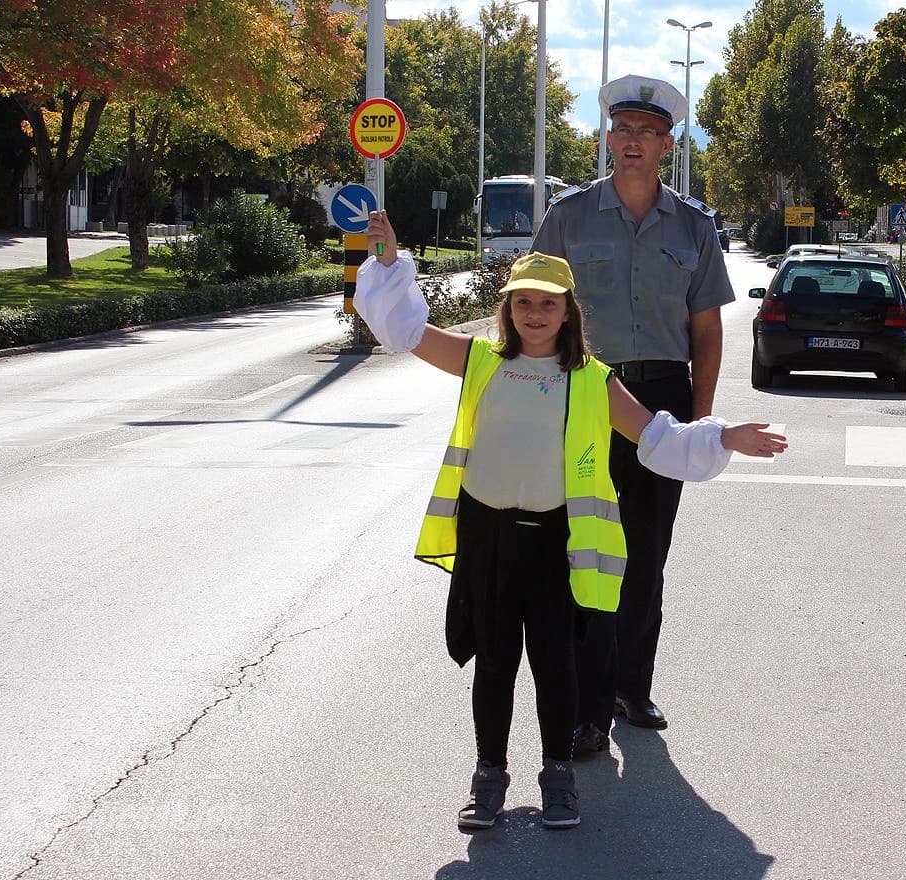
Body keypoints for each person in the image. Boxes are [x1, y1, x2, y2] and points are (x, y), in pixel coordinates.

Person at [352, 210, 787, 832]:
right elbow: (407, 330)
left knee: (556, 665)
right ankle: (488, 777)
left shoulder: (592, 380)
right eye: (523, 302)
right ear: (507, 309)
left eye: (548, 304)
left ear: (567, 313)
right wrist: (390, 261)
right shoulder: (477, 360)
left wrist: (725, 435)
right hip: (488, 537)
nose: (534, 313)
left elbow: (656, 436)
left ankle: (558, 777)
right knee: (495, 664)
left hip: (555, 542)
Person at [531, 74, 734, 751]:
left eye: (647, 133)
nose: (632, 143)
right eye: (622, 130)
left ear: (668, 143)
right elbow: (535, 314)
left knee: (646, 555)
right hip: (586, 396)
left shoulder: (695, 226)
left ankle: (631, 688)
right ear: (608, 138)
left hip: (664, 398)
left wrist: (700, 426)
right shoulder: (568, 218)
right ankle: (588, 707)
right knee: (587, 552)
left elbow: (707, 331)